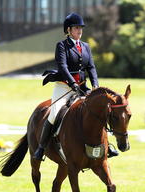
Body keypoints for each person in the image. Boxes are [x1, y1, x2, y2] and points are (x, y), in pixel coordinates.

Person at [34, 13, 118, 161]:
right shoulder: (61, 46)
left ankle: (107, 145)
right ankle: (41, 148)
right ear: (69, 30)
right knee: (54, 113)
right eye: (76, 28)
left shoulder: (85, 46)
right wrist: (72, 83)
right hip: (64, 86)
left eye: (81, 28)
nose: (80, 30)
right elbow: (63, 67)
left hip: (82, 87)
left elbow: (91, 68)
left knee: (99, 109)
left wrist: (96, 87)